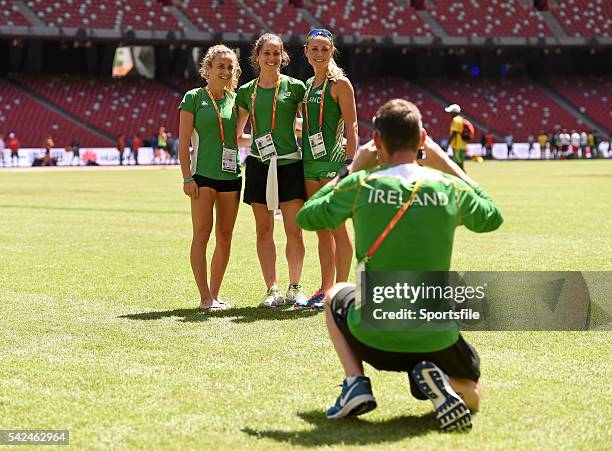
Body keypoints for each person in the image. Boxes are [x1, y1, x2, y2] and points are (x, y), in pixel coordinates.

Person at [296, 99, 503, 431]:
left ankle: (356, 383)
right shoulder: (446, 188)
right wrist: (447, 163)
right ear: (422, 140)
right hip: (434, 336)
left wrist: (350, 168)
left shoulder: (360, 185)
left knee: (335, 294)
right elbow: (492, 215)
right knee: (474, 395)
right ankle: (438, 382)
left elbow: (307, 216)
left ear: (377, 141)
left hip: (373, 337)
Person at [235, 33, 308, 308]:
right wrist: (255, 142)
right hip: (259, 164)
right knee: (263, 231)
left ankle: (295, 286)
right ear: (257, 57)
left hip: (290, 163)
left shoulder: (296, 87)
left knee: (294, 231)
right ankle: (272, 289)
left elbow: (308, 125)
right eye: (266, 53)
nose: (272, 58)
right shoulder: (246, 92)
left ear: (283, 57)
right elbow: (237, 135)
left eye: (276, 53)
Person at [178, 44, 246, 311]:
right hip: (202, 176)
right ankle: (204, 296)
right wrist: (186, 177)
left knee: (225, 237)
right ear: (207, 69)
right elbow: (183, 143)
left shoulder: (237, 100)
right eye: (221, 66)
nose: (226, 71)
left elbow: (237, 137)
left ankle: (215, 295)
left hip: (232, 176)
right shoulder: (193, 97)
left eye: (230, 67)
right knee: (202, 235)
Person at [298, 28, 358, 309]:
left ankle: (343, 290)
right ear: (306, 52)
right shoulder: (308, 84)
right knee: (321, 228)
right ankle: (325, 288)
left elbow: (351, 126)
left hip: (334, 163)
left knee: (337, 227)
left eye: (324, 48)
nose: (319, 53)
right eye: (314, 49)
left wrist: (350, 164)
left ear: (332, 51)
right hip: (309, 164)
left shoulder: (340, 84)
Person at [444, 104, 467, 170]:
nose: (449, 113)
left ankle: (464, 179)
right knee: (459, 164)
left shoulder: (456, 120)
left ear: (455, 112)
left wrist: (448, 145)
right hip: (461, 145)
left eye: (450, 112)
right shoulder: (460, 119)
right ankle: (463, 179)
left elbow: (454, 133)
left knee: (459, 165)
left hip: (458, 145)